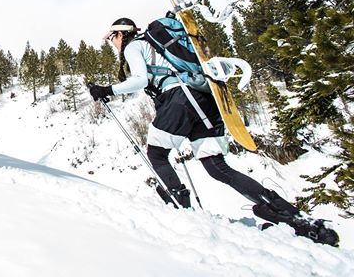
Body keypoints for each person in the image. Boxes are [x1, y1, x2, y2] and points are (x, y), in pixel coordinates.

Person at [88, 17, 338, 246]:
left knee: (156, 154)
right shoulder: (155, 44)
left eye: (112, 37)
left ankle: (179, 204)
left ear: (122, 34)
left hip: (179, 99)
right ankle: (289, 214)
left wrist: (106, 89)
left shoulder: (135, 46)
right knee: (216, 167)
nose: (112, 43)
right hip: (206, 99)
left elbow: (140, 80)